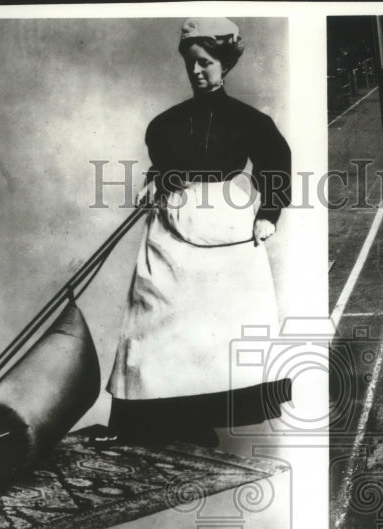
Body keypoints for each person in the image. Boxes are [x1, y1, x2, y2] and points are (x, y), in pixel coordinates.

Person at [105, 18, 293, 446]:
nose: (198, 72)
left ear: (224, 63)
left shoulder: (250, 121)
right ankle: (157, 419)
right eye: (191, 64)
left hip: (226, 229)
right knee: (153, 320)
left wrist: (270, 212)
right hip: (171, 229)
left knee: (218, 332)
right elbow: (167, 166)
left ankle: (198, 417)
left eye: (206, 62)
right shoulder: (166, 124)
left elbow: (275, 163)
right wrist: (155, 181)